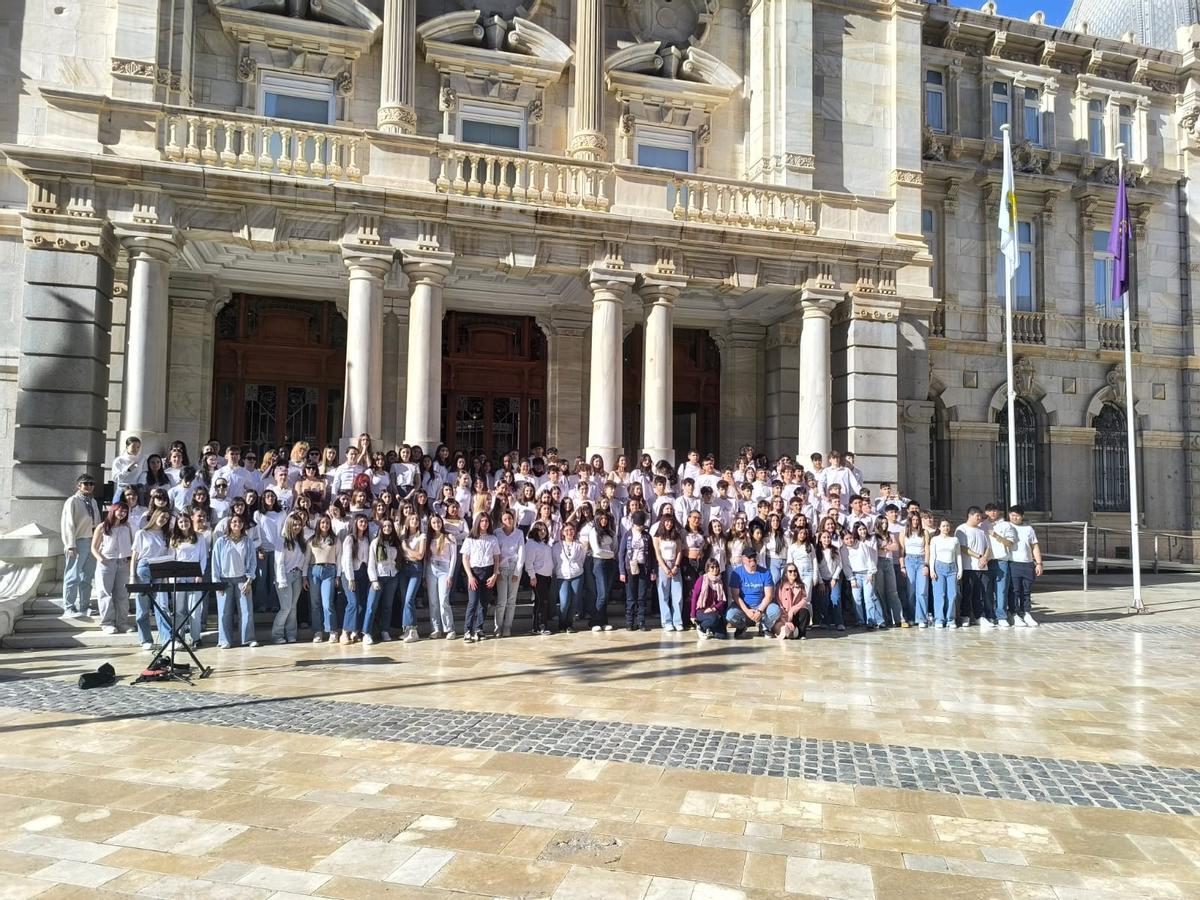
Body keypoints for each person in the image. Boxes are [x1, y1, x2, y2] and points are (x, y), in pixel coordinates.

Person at [211, 513, 258, 649]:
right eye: (234, 522)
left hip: (242, 579)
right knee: (224, 611)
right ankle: (224, 640)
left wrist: (249, 580)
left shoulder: (248, 541)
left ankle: (248, 639)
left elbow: (252, 562)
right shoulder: (221, 541)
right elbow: (215, 562)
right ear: (229, 525)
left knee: (246, 610)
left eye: (240, 522)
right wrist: (217, 582)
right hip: (224, 580)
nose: (237, 524)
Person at [130, 509, 172, 650]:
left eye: (167, 518)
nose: (164, 519)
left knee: (162, 605)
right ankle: (145, 639)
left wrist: (166, 576)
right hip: (144, 567)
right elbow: (134, 556)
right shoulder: (142, 533)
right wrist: (132, 576)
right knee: (143, 606)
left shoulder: (166, 535)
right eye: (162, 516)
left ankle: (167, 638)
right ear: (155, 516)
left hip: (160, 568)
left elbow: (167, 555)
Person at [60, 473, 100, 618]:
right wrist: (70, 544)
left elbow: (97, 522)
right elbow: (68, 524)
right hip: (78, 541)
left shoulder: (93, 501)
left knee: (87, 577)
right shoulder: (72, 501)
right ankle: (69, 607)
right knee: (73, 575)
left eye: (91, 484)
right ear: (79, 485)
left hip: (91, 541)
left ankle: (84, 606)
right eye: (85, 483)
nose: (89, 486)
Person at [91, 502, 133, 635]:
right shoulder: (103, 526)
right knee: (105, 594)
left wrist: (130, 561)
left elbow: (132, 545)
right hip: (107, 562)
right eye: (120, 510)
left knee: (122, 594)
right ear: (113, 510)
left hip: (123, 562)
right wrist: (101, 559)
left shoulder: (127, 527)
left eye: (125, 511)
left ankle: (122, 623)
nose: (122, 513)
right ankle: (107, 623)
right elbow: (93, 547)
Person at [461, 512, 501, 643]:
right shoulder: (470, 538)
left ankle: (479, 628)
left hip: (488, 571)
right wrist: (470, 576)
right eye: (482, 521)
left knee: (484, 603)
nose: (484, 523)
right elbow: (465, 558)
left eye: (487, 521)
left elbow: (496, 558)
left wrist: (495, 574)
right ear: (478, 522)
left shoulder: (493, 538)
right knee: (473, 602)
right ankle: (468, 630)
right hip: (474, 572)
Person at [170, 513, 209, 647]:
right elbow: (172, 558)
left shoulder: (199, 537)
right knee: (179, 609)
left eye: (186, 521)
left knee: (194, 608)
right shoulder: (174, 538)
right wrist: (173, 576)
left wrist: (200, 574)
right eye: (180, 522)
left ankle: (195, 637)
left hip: (194, 575)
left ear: (190, 522)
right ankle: (179, 637)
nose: (183, 524)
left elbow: (203, 557)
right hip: (178, 576)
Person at [363, 517, 401, 644]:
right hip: (378, 577)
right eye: (384, 526)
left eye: (389, 526)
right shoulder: (375, 543)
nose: (387, 528)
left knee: (387, 606)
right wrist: (374, 580)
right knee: (371, 606)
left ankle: (385, 630)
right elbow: (371, 563)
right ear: (381, 528)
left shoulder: (395, 542)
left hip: (392, 577)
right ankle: (366, 632)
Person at [726, 548, 780, 638]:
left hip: (761, 607)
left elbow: (769, 596)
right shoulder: (736, 573)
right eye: (749, 557)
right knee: (730, 615)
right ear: (743, 559)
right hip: (744, 608)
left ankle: (764, 627)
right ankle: (742, 626)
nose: (752, 559)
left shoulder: (765, 573)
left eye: (754, 556)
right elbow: (735, 596)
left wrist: (760, 611)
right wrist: (747, 611)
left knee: (775, 610)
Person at [272, 514, 307, 644]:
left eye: (299, 525)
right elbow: (279, 562)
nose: (297, 527)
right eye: (294, 524)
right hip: (285, 576)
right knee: (285, 608)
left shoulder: (301, 541)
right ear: (289, 525)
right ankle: (277, 635)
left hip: (297, 575)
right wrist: (281, 580)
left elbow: (303, 560)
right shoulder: (282, 540)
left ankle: (291, 634)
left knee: (293, 607)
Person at [618, 510, 654, 632]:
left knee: (641, 596)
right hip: (630, 568)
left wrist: (652, 570)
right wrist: (622, 571)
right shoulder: (627, 535)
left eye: (641, 524)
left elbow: (651, 555)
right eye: (637, 524)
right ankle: (629, 621)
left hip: (643, 567)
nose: (639, 527)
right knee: (630, 596)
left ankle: (641, 621)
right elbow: (621, 553)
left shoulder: (647, 536)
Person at [983, 502, 1017, 628]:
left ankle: (1001, 616)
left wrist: (997, 536)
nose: (993, 513)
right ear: (986, 512)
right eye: (990, 510)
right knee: (987, 590)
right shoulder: (982, 525)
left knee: (1001, 589)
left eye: (995, 510)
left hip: (1001, 560)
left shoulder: (1006, 525)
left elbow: (1010, 543)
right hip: (987, 561)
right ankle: (990, 615)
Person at [955, 506, 991, 627]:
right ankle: (965, 615)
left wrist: (984, 558)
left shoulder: (982, 531)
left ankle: (979, 616)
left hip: (982, 567)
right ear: (970, 515)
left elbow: (987, 547)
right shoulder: (961, 529)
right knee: (967, 592)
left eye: (980, 516)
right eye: (977, 516)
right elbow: (962, 547)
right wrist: (979, 556)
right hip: (968, 567)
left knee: (980, 593)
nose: (979, 518)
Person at [1007, 506, 1043, 627]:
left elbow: (1035, 546)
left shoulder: (1028, 529)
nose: (1014, 517)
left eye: (1017, 515)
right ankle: (1014, 613)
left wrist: (1039, 563)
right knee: (1014, 590)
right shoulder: (1006, 527)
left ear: (1022, 516)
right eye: (1012, 515)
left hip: (1027, 563)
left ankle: (1026, 612)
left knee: (1026, 591)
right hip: (1013, 563)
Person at [842, 525, 883, 628]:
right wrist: (851, 578)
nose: (849, 540)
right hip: (855, 575)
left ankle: (871, 620)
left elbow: (869, 559)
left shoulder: (862, 545)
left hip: (866, 574)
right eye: (846, 539)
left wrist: (870, 573)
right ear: (843, 540)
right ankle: (860, 620)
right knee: (857, 599)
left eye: (850, 538)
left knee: (868, 598)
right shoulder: (843, 550)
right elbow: (846, 565)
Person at [306, 514, 339, 643]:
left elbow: (339, 558)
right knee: (315, 603)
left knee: (327, 603)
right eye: (322, 523)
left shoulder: (335, 540)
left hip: (329, 570)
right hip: (314, 570)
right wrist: (304, 577)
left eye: (327, 523)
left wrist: (338, 576)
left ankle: (332, 630)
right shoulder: (312, 540)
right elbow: (307, 559)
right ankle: (318, 631)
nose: (325, 525)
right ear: (318, 524)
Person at [339, 514, 372, 644]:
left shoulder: (366, 539)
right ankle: (345, 632)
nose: (363, 524)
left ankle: (355, 631)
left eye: (365, 522)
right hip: (350, 574)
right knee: (352, 602)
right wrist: (350, 579)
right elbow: (347, 560)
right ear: (355, 523)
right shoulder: (350, 539)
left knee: (362, 603)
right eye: (361, 521)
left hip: (363, 574)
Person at [494, 510, 526, 637]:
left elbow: (522, 552)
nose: (508, 521)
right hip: (501, 568)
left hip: (514, 567)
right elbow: (495, 552)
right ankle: (498, 627)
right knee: (502, 600)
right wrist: (496, 571)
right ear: (502, 521)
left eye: (510, 518)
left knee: (511, 600)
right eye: (505, 519)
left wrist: (517, 572)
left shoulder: (519, 533)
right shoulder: (497, 533)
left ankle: (507, 626)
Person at [552, 520, 587, 634]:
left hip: (577, 575)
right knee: (564, 601)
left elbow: (582, 559)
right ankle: (562, 623)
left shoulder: (579, 545)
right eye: (566, 530)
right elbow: (554, 561)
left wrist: (577, 568)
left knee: (574, 602)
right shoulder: (557, 546)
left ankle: (569, 624)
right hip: (562, 576)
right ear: (562, 532)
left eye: (571, 530)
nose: (569, 532)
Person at [426, 514, 458, 639]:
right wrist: (424, 575)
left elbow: (454, 557)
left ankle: (449, 628)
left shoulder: (449, 537)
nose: (436, 525)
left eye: (438, 522)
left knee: (443, 599)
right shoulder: (429, 538)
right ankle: (436, 628)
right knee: (433, 601)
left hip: (445, 569)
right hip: (431, 568)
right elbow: (426, 558)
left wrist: (450, 575)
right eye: (433, 522)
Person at [396, 513, 426, 643]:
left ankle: (413, 630)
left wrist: (406, 549)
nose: (415, 521)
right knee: (405, 600)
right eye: (412, 519)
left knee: (409, 599)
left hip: (415, 567)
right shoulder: (403, 536)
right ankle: (407, 629)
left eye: (417, 519)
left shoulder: (422, 536)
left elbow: (420, 555)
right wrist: (409, 552)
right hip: (404, 567)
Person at [927, 519, 963, 628]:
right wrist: (932, 570)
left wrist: (960, 570)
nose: (946, 528)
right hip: (939, 567)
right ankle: (939, 619)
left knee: (952, 594)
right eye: (943, 526)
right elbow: (932, 556)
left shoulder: (954, 540)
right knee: (939, 594)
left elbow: (958, 555)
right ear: (939, 527)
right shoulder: (935, 539)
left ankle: (950, 619)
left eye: (947, 526)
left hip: (952, 568)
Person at [586, 510, 616, 632]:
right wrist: (611, 554)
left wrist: (611, 555)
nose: (604, 521)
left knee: (606, 594)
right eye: (601, 518)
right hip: (599, 563)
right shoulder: (593, 531)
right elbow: (597, 551)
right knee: (602, 594)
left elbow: (614, 547)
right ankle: (595, 621)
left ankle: (603, 621)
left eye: (605, 519)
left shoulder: (610, 532)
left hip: (610, 564)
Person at [653, 514, 684, 631]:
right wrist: (665, 568)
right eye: (667, 522)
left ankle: (677, 621)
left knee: (677, 594)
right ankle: (667, 621)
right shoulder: (657, 537)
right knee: (663, 594)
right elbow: (657, 554)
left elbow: (679, 551)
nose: (669, 524)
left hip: (675, 564)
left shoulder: (676, 536)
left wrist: (676, 566)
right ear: (663, 522)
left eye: (671, 522)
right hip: (663, 565)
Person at [524, 521, 554, 635]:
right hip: (538, 576)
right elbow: (528, 562)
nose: (543, 532)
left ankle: (537, 627)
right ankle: (540, 626)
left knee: (542, 602)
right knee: (542, 602)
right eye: (540, 530)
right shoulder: (531, 543)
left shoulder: (545, 544)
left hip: (547, 576)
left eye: (544, 530)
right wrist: (532, 577)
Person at [902, 512, 931, 628]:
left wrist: (926, 564)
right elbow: (902, 551)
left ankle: (922, 618)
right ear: (909, 521)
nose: (915, 522)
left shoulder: (924, 532)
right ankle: (911, 616)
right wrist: (902, 566)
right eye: (913, 520)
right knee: (911, 590)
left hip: (921, 560)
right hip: (909, 560)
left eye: (917, 519)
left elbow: (927, 549)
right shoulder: (904, 532)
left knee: (922, 590)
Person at [814, 530, 845, 631]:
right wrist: (821, 582)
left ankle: (839, 622)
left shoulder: (835, 550)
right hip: (822, 579)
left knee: (836, 599)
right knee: (824, 600)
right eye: (824, 537)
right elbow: (816, 568)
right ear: (820, 539)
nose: (826, 539)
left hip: (833, 578)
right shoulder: (817, 551)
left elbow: (840, 565)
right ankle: (825, 621)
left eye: (828, 537)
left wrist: (834, 578)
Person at [690, 558, 728, 639]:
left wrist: (713, 608)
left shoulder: (720, 581)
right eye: (712, 567)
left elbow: (723, 600)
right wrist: (692, 615)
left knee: (722, 635)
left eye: (717, 567)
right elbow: (694, 597)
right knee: (714, 619)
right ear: (708, 568)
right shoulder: (702, 579)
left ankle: (710, 628)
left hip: (714, 611)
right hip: (701, 610)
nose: (715, 569)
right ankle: (701, 627)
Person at [775, 564, 810, 639]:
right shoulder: (780, 586)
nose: (793, 573)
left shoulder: (801, 585)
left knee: (805, 612)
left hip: (795, 614)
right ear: (785, 574)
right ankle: (789, 631)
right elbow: (779, 604)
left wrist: (793, 610)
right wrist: (786, 621)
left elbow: (804, 600)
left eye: (795, 571)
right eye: (790, 571)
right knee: (785, 632)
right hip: (783, 616)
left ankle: (801, 634)